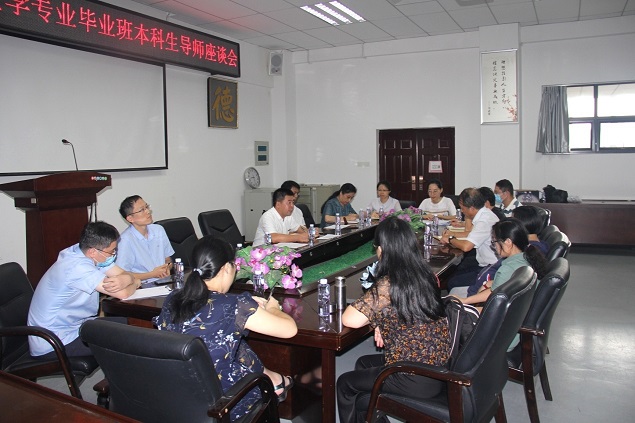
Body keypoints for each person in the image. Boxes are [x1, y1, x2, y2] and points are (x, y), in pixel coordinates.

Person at [154, 237, 298, 421]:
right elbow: (289, 330)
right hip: (223, 403)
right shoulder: (233, 306)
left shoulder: (173, 298)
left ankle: (274, 379)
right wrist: (272, 308)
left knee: (231, 341)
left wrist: (246, 307)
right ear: (226, 268)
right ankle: (274, 382)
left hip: (177, 394)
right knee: (232, 341)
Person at [337, 217, 451, 423]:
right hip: (438, 368)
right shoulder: (425, 274)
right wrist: (379, 321)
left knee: (345, 383)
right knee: (363, 363)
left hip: (412, 375)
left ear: (381, 249)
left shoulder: (390, 283)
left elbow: (350, 319)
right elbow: (406, 310)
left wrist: (375, 318)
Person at [27, 221, 140, 358]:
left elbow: (122, 273)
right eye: (111, 251)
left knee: (133, 325)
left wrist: (127, 278)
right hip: (54, 341)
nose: (114, 254)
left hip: (76, 327)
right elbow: (123, 293)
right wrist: (132, 281)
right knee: (129, 339)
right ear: (93, 251)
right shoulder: (77, 267)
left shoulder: (86, 252)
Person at [452, 218, 547, 350]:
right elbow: (496, 292)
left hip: (501, 335)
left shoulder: (508, 269)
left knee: (452, 317)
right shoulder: (525, 259)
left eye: (495, 242)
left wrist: (464, 304)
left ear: (508, 242)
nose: (494, 247)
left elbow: (494, 303)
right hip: (512, 326)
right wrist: (467, 301)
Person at [441, 188, 499, 290]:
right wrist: (453, 235)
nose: (462, 211)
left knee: (452, 282)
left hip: (493, 267)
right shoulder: (484, 214)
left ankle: (463, 299)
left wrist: (450, 239)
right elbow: (472, 235)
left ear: (471, 208)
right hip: (485, 263)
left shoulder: (484, 221)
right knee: (455, 272)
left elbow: (466, 247)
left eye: (462, 208)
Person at [116, 195, 174, 282]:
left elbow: (168, 259)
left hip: (164, 281)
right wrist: (152, 274)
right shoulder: (125, 240)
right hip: (142, 285)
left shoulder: (159, 230)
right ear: (130, 218)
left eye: (147, 207)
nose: (148, 211)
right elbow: (122, 275)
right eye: (142, 210)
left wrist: (167, 268)